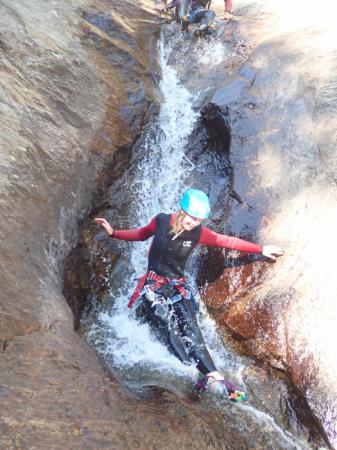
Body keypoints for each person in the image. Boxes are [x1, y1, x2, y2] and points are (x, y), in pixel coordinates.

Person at [95, 189, 284, 401]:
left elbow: (227, 241)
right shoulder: (161, 221)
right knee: (169, 328)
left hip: (177, 288)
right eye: (192, 217)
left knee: (192, 329)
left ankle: (216, 377)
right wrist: (113, 232)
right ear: (182, 210)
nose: (193, 223)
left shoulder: (199, 233)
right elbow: (140, 234)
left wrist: (260, 249)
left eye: (198, 219)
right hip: (152, 288)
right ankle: (192, 373)